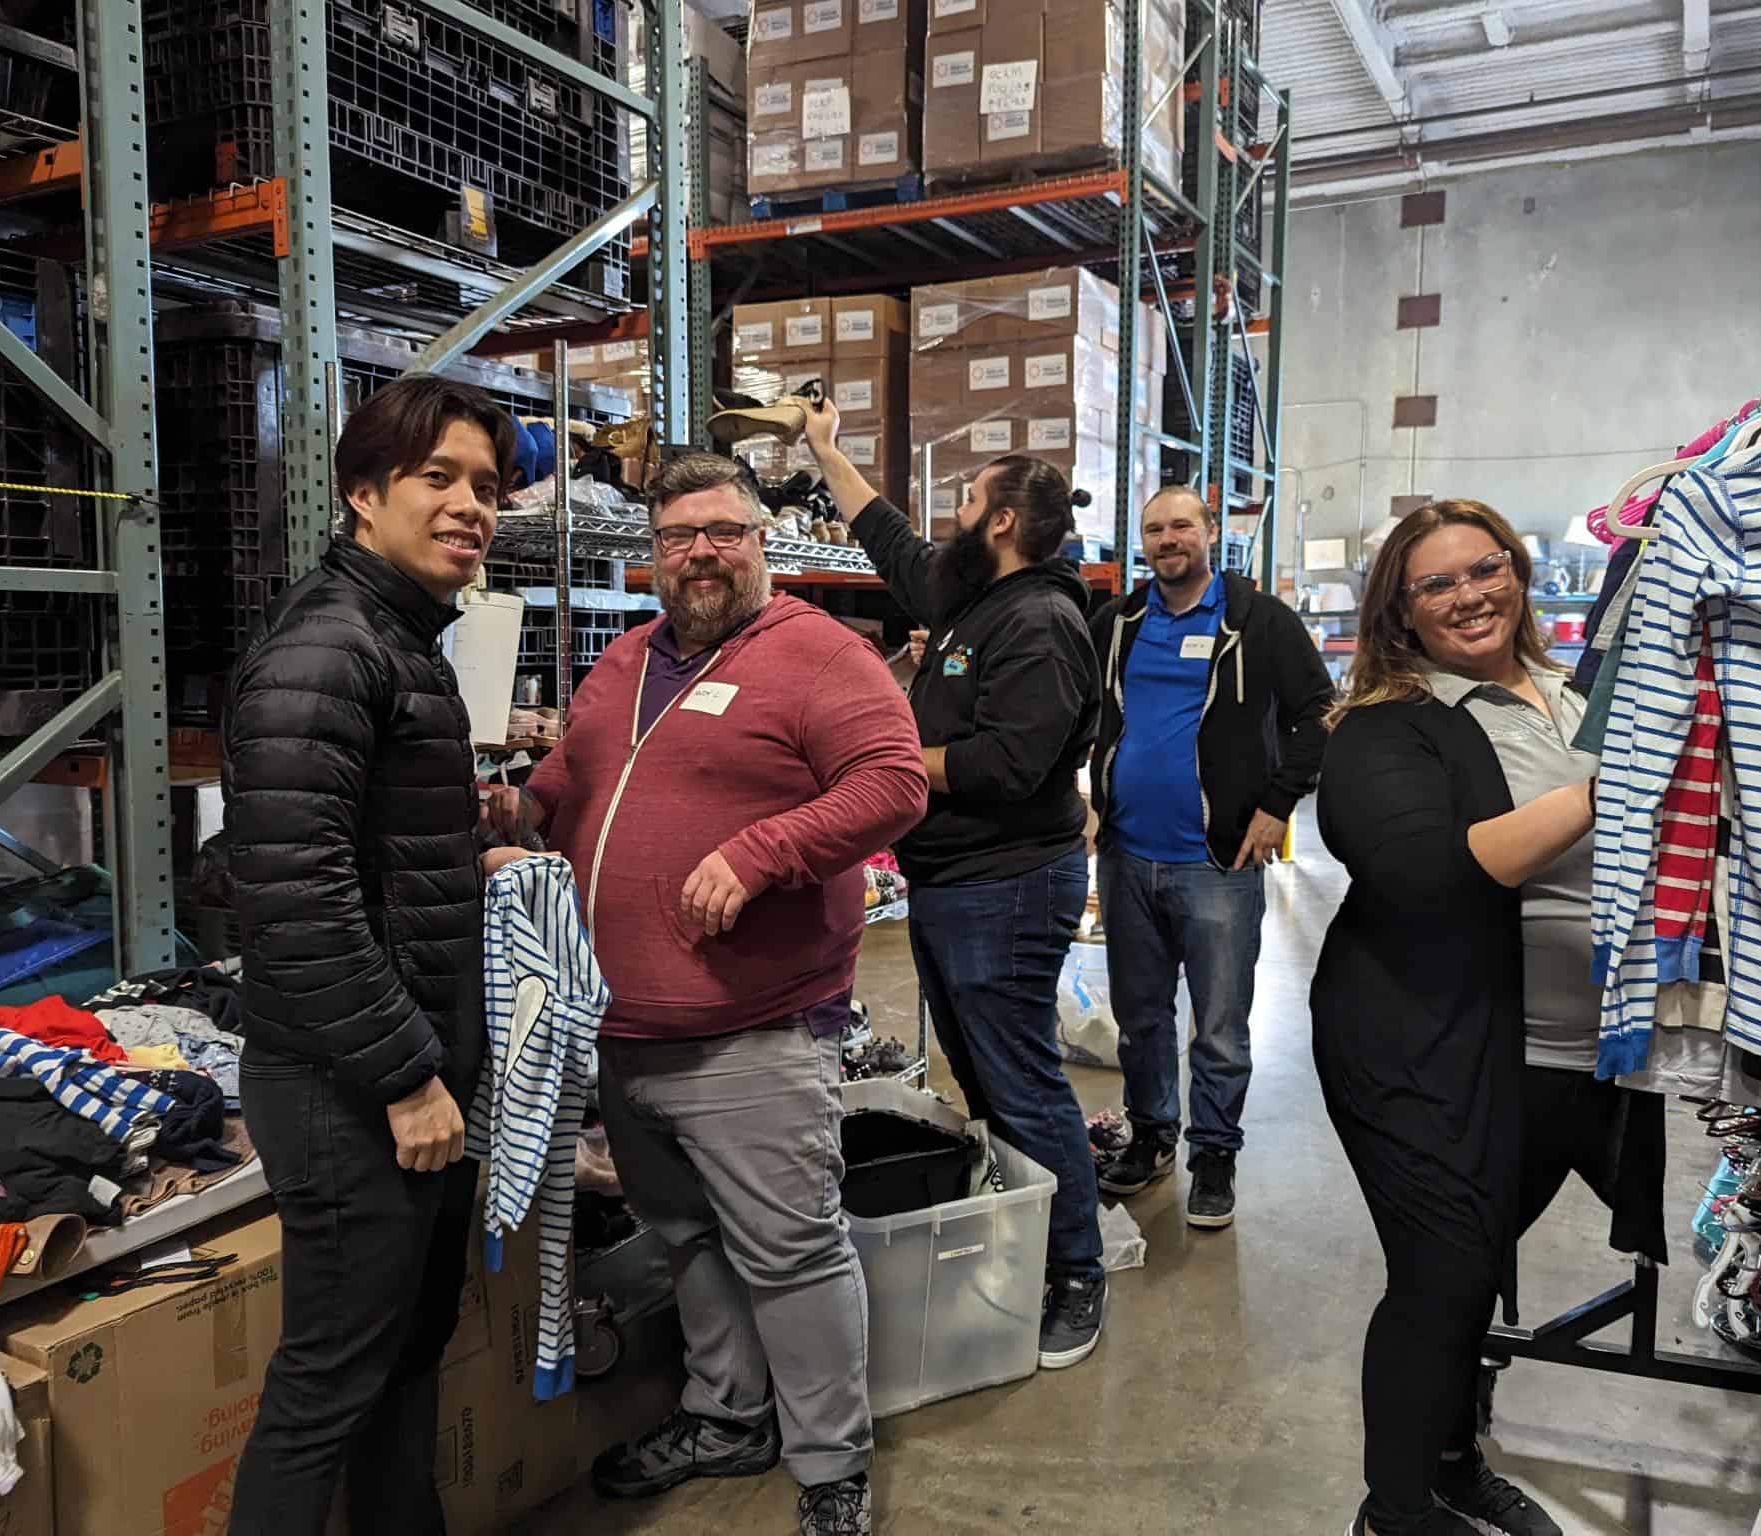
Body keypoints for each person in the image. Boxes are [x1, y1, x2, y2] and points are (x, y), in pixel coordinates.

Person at [486, 452, 928, 1536]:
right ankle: (729, 1415)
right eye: (680, 536)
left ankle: (831, 1465)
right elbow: (572, 785)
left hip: (752, 1032)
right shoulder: (623, 663)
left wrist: (766, 847)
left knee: (790, 1251)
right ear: (653, 557)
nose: (702, 553)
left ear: (761, 541)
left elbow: (894, 783)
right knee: (686, 1237)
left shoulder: (819, 654)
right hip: (623, 1028)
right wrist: (515, 813)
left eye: (725, 531)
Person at [223, 374, 532, 1535]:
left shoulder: (401, 642)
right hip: (350, 1086)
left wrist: (469, 849)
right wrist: (406, 1076)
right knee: (328, 1384)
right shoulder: (330, 649)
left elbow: (359, 856)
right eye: (437, 479)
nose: (470, 508)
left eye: (487, 488)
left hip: (410, 1073)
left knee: (409, 1357)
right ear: (363, 493)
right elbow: (294, 901)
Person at [801, 401, 1110, 1370]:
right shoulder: (977, 596)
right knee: (982, 1079)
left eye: (966, 502)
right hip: (957, 881)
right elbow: (896, 550)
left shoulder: (1044, 620)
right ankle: (1019, 1236)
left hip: (1008, 886)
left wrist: (888, 756)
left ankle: (1076, 1274)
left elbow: (1009, 766)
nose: (952, 516)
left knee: (1020, 1079)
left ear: (1003, 523)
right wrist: (827, 455)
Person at [1311, 498, 1595, 1536]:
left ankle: (1448, 1463)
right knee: (1440, 1273)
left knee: (1473, 1267)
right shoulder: (1386, 729)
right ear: (1401, 608)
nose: (1471, 594)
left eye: (1487, 568)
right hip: (1414, 1040)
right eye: (1437, 583)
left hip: (1563, 1045)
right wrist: (1614, 788)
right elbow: (1425, 877)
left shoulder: (1574, 694)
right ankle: (1396, 1513)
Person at [1088, 486, 1334, 1227]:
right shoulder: (1120, 622)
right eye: (1155, 528)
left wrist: (1277, 803)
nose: (1169, 539)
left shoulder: (1256, 621)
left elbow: (1319, 713)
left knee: (1220, 1026)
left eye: (1182, 526)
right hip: (1127, 855)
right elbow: (1069, 702)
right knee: (1139, 1017)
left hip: (1217, 862)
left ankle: (1215, 1154)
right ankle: (1153, 1136)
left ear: (1210, 532)